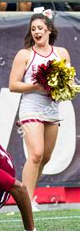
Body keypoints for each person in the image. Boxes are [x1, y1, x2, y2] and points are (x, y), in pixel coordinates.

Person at [9, 13, 71, 211]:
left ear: (49, 30)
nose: (36, 31)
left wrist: (63, 88)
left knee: (44, 157)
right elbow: (13, 85)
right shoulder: (25, 54)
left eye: (40, 28)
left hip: (52, 109)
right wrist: (37, 86)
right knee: (35, 154)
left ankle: (30, 194)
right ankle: (26, 201)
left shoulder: (61, 53)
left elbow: (69, 82)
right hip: (31, 108)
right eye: (33, 28)